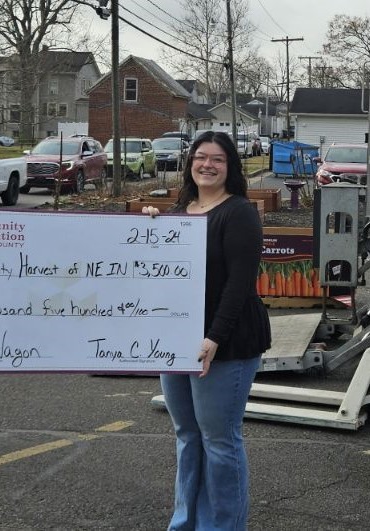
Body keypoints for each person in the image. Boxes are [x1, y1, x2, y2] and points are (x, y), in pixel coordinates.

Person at [143, 130, 271, 530]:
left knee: (219, 440)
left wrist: (214, 338)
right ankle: (185, 522)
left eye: (218, 159)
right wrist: (150, 229)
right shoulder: (182, 211)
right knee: (187, 435)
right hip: (176, 339)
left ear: (230, 167)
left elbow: (239, 284)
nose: (207, 165)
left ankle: (222, 526)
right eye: (201, 157)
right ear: (190, 162)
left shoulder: (239, 213)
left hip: (226, 343)